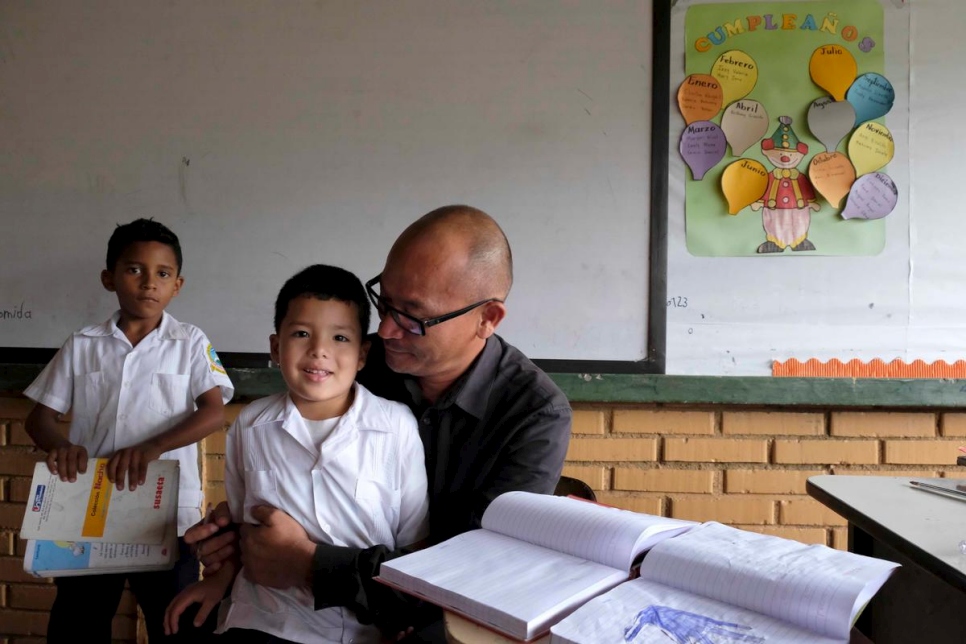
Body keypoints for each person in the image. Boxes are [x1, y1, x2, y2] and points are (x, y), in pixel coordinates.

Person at [187, 205, 572, 636]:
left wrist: (306, 563)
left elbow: (475, 576)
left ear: (487, 319)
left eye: (412, 315)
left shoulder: (534, 416)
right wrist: (235, 538)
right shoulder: (354, 363)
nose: (386, 330)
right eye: (383, 301)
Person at [164, 264, 429, 643]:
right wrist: (219, 580)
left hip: (361, 630)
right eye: (302, 333)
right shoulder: (250, 425)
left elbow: (414, 545)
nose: (319, 350)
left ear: (362, 354)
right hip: (264, 620)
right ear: (275, 347)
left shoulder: (396, 427)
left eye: (339, 337)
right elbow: (244, 529)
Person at [23, 218, 234, 642]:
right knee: (78, 623)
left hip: (167, 515)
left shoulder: (190, 342)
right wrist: (60, 446)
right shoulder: (83, 344)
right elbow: (39, 419)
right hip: (91, 510)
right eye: (134, 270)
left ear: (178, 285)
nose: (148, 283)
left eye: (162, 274)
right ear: (109, 278)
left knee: (175, 622)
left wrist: (153, 446)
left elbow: (213, 412)